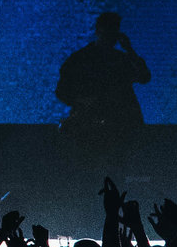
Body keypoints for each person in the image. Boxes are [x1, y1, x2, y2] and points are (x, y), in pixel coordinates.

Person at [56, 11, 150, 160]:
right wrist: (83, 101)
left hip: (117, 126)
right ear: (99, 30)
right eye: (110, 30)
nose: (112, 36)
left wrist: (130, 50)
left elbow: (144, 77)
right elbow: (62, 90)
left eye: (114, 31)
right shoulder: (81, 59)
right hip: (95, 126)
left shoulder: (118, 59)